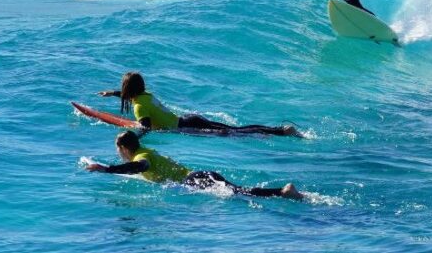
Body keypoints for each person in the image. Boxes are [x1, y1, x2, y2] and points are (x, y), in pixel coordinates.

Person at [85, 131, 304, 199]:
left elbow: (139, 167)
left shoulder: (141, 157)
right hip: (199, 174)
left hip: (193, 179)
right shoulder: (146, 150)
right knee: (238, 190)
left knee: (238, 192)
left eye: (117, 149)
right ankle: (283, 192)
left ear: (124, 148)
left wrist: (106, 170)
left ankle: (283, 192)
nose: (117, 153)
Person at [98, 72, 300, 137]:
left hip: (188, 126)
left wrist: (133, 134)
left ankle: (281, 132)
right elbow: (136, 98)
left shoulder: (139, 106)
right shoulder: (146, 96)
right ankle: (281, 130)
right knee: (235, 129)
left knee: (236, 133)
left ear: (128, 91)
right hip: (190, 120)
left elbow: (146, 126)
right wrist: (114, 93)